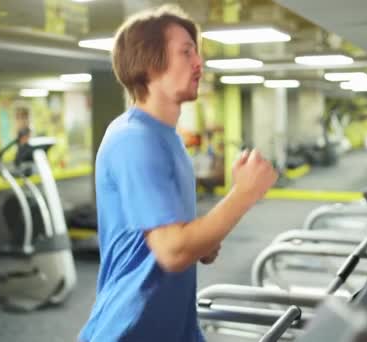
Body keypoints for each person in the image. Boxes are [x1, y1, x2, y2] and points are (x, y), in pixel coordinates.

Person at [78, 5, 278, 342]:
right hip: (130, 330)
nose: (199, 63)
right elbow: (172, 251)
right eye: (186, 53)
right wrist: (243, 194)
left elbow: (174, 238)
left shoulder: (167, 138)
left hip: (173, 328)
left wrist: (204, 241)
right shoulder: (134, 139)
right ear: (149, 63)